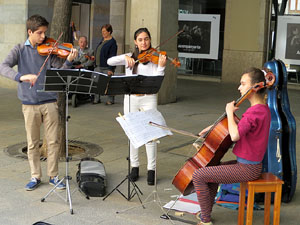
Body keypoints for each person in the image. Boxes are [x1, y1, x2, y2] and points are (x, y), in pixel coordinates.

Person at [0, 15, 78, 191]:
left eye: (45, 33)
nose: (44, 37)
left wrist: (68, 61)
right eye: (40, 33)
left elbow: (60, 73)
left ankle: (53, 176)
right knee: (33, 143)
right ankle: (35, 176)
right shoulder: (19, 49)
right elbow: (2, 67)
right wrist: (21, 77)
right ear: (30, 32)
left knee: (53, 142)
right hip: (29, 103)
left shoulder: (50, 50)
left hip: (49, 101)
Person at [192, 67, 271, 225]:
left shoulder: (253, 113)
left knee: (198, 175)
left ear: (254, 88)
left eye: (242, 83)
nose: (239, 87)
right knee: (213, 172)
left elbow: (235, 135)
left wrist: (228, 112)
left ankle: (205, 219)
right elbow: (243, 126)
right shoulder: (262, 109)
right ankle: (205, 212)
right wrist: (213, 127)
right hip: (251, 166)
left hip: (247, 169)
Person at [107, 27, 167, 185]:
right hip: (131, 98)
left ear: (150, 39)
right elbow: (109, 61)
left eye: (146, 39)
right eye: (140, 40)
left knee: (150, 134)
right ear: (135, 42)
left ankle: (151, 169)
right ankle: (134, 167)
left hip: (149, 98)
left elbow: (157, 80)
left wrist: (161, 67)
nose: (144, 42)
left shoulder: (155, 57)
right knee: (132, 133)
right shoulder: (129, 56)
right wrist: (125, 59)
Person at [94, 24, 118, 105]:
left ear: (109, 31)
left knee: (108, 83)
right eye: (102, 31)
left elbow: (113, 56)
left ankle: (110, 100)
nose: (103, 33)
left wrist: (111, 69)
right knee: (96, 82)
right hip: (98, 66)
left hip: (106, 67)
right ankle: (96, 99)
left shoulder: (112, 42)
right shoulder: (102, 40)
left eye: (104, 31)